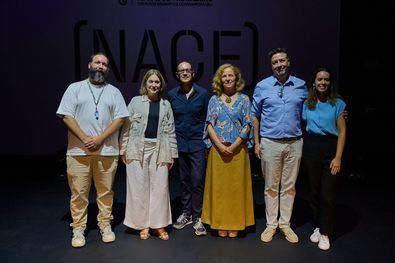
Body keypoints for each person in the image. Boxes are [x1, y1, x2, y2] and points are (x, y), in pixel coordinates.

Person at [56, 53, 129, 248]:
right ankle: (78, 228)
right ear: (89, 65)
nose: (100, 66)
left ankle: (105, 225)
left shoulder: (114, 92)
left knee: (105, 192)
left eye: (104, 64)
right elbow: (65, 115)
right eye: (97, 62)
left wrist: (99, 139)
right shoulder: (75, 88)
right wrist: (85, 138)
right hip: (78, 152)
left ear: (107, 69)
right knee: (79, 193)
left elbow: (120, 118)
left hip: (107, 151)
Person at [251, 47, 307, 244]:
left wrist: (339, 113)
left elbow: (314, 108)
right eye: (275, 62)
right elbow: (254, 116)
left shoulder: (301, 86)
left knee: (289, 187)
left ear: (288, 61)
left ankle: (285, 224)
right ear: (271, 65)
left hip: (294, 143)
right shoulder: (262, 86)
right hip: (270, 143)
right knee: (271, 187)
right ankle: (271, 225)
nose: (279, 65)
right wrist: (256, 142)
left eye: (282, 61)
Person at [120, 69, 178, 241]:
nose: (154, 85)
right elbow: (126, 128)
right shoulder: (135, 102)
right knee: (138, 187)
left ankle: (158, 224)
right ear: (145, 84)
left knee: (160, 188)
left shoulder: (166, 105)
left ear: (161, 85)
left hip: (161, 148)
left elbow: (171, 131)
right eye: (150, 81)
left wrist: (173, 155)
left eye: (157, 82)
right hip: (137, 148)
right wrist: (123, 150)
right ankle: (142, 224)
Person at [201, 63, 255, 238]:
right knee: (219, 189)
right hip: (218, 151)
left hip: (238, 151)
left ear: (236, 78)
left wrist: (232, 146)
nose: (228, 79)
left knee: (236, 188)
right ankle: (220, 223)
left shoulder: (245, 100)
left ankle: (235, 224)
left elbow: (247, 125)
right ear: (220, 79)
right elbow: (209, 125)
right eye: (224, 76)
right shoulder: (213, 100)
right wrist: (220, 146)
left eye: (231, 75)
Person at [302, 67, 346, 251]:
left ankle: (326, 233)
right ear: (314, 82)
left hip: (330, 147)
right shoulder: (307, 103)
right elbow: (305, 124)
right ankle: (318, 226)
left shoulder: (338, 104)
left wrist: (337, 157)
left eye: (326, 80)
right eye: (319, 79)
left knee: (327, 194)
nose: (322, 82)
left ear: (330, 83)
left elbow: (342, 131)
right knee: (313, 191)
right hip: (312, 147)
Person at [167, 61, 209, 236]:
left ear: (193, 73)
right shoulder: (171, 95)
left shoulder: (203, 94)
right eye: (181, 71)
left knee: (198, 180)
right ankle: (186, 213)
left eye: (187, 70)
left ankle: (198, 216)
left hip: (198, 144)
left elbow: (208, 120)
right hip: (180, 145)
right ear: (177, 75)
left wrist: (208, 145)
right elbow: (169, 121)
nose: (185, 73)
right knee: (184, 181)